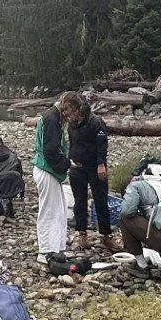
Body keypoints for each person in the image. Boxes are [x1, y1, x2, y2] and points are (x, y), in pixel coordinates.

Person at [61, 92, 115, 255]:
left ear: (79, 110)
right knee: (80, 201)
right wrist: (69, 160)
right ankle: (82, 234)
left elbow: (102, 143)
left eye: (71, 112)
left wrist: (101, 164)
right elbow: (71, 143)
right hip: (77, 165)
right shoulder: (72, 124)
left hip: (94, 165)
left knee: (100, 200)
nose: (69, 116)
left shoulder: (95, 122)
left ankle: (106, 235)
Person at [33, 95, 72, 275]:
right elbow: (50, 150)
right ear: (67, 107)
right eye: (73, 112)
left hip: (46, 170)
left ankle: (55, 247)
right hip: (46, 169)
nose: (72, 117)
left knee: (58, 210)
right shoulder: (51, 119)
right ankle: (45, 250)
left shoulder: (52, 117)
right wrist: (66, 163)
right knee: (49, 211)